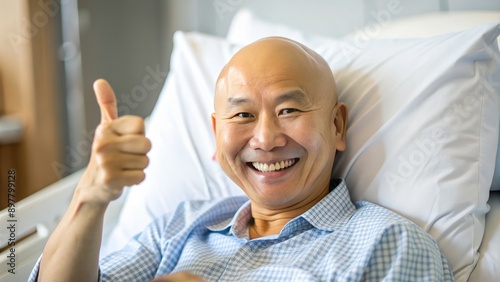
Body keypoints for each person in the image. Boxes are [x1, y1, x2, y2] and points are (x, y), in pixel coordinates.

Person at [30, 37, 453, 281]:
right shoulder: (177, 229)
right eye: (243, 115)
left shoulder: (390, 244)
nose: (266, 138)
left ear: (337, 127)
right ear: (216, 136)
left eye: (289, 110)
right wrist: (92, 196)